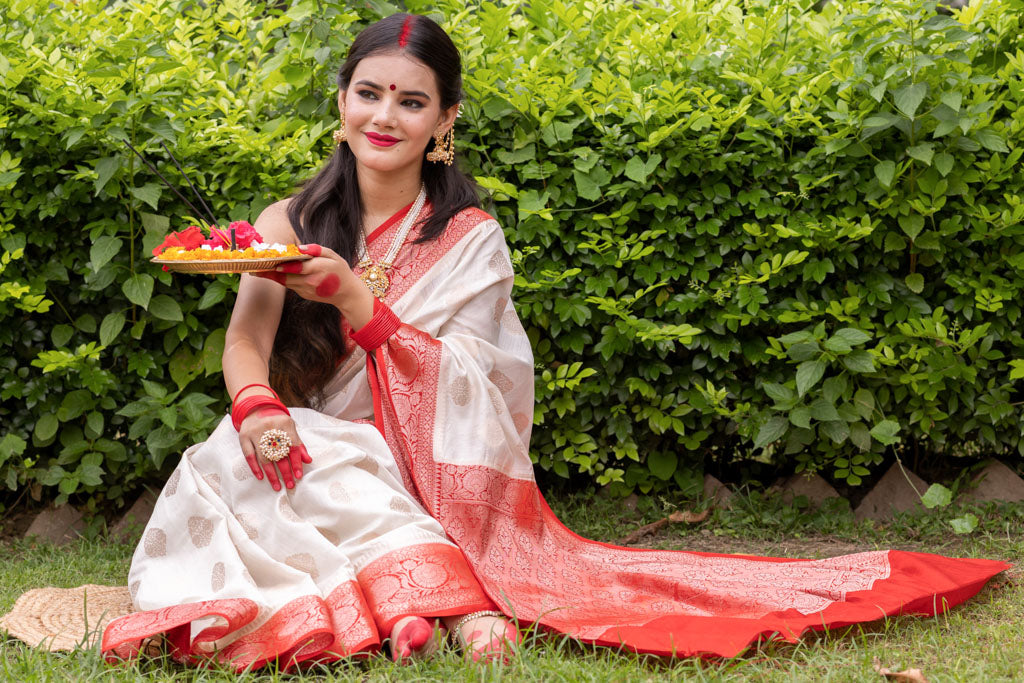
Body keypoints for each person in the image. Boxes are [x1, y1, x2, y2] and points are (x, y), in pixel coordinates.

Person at [101, 12, 1009, 673]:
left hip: (413, 468)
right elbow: (246, 343)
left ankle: (438, 595)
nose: (385, 114)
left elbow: (477, 388)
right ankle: (432, 601)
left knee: (345, 462)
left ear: (443, 121)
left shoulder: (468, 238)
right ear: (340, 101)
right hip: (292, 443)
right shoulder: (284, 219)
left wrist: (357, 302)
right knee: (226, 461)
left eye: (411, 101)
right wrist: (259, 410)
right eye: (369, 92)